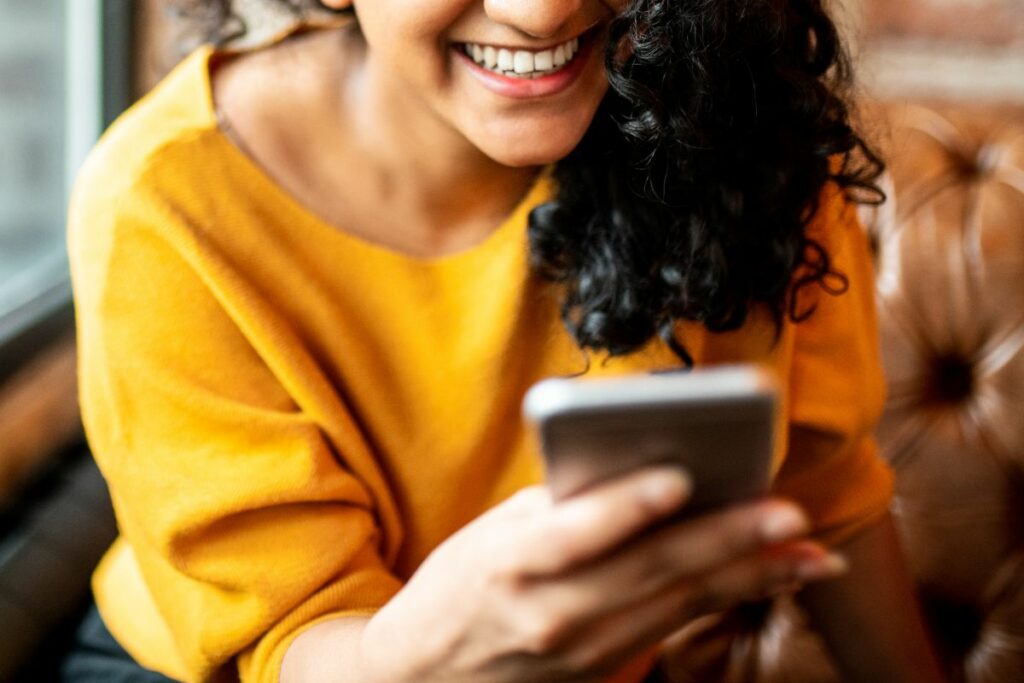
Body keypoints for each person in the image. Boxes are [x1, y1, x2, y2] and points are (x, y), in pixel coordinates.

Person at [65, 1, 946, 681]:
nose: (541, 11)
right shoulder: (165, 202)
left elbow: (829, 486)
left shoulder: (743, 133)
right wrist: (431, 659)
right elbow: (290, 641)